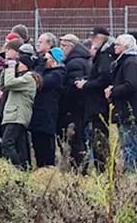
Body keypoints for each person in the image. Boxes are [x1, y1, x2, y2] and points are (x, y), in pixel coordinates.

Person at [106, 33, 137, 172]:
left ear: (127, 46)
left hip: (130, 110)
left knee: (129, 144)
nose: (114, 47)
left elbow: (131, 85)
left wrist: (113, 91)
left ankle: (131, 173)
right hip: (128, 110)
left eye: (118, 44)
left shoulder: (131, 63)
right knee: (128, 143)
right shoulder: (130, 61)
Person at [77, 27, 115, 172]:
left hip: (98, 104)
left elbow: (103, 79)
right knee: (97, 139)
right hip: (96, 103)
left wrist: (86, 84)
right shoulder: (103, 54)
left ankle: (103, 169)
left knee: (100, 139)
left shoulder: (105, 56)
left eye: (94, 38)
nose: (92, 41)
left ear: (101, 37)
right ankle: (103, 168)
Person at [0, 52, 39, 170]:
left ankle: (16, 168)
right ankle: (24, 168)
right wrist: (6, 68)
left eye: (18, 63)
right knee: (20, 146)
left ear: (25, 65)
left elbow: (9, 83)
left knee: (7, 144)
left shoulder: (29, 78)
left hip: (17, 115)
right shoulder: (19, 77)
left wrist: (11, 68)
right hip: (14, 115)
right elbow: (3, 86)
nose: (16, 65)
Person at [59, 34, 90, 169]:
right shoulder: (83, 60)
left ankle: (79, 169)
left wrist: (63, 93)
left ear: (71, 46)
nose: (61, 49)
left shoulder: (74, 63)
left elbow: (73, 86)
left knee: (76, 140)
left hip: (74, 107)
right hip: (81, 106)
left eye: (63, 46)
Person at [31, 47, 66, 168]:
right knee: (37, 145)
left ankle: (48, 169)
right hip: (38, 114)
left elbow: (38, 82)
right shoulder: (48, 72)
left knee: (46, 146)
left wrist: (39, 67)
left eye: (48, 58)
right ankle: (41, 169)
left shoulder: (57, 74)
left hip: (47, 115)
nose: (45, 61)